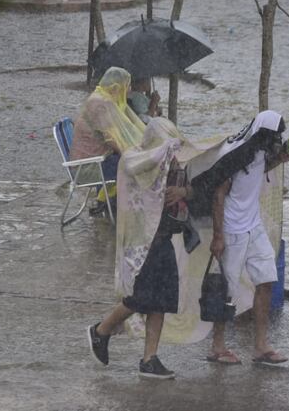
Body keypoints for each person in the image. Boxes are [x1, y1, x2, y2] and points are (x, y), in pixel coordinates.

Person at [87, 118, 195, 380]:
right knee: (141, 298)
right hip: (143, 244)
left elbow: (191, 191)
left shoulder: (174, 163)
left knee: (163, 300)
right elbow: (144, 184)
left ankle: (150, 359)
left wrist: (181, 191)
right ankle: (101, 330)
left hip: (165, 236)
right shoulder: (135, 161)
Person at [189, 110, 289, 366]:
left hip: (254, 225)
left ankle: (260, 346)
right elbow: (218, 194)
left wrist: (279, 160)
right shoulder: (234, 153)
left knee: (267, 279)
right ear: (263, 133)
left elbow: (257, 170)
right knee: (227, 289)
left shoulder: (258, 149)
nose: (276, 140)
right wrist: (218, 235)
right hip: (233, 228)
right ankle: (217, 346)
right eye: (274, 136)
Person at [69, 67, 146, 214]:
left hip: (94, 160)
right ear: (116, 86)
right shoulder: (100, 104)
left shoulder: (101, 98)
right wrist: (129, 155)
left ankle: (109, 202)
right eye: (126, 86)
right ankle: (126, 210)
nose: (128, 91)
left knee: (130, 160)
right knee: (135, 166)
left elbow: (114, 135)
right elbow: (111, 140)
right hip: (88, 168)